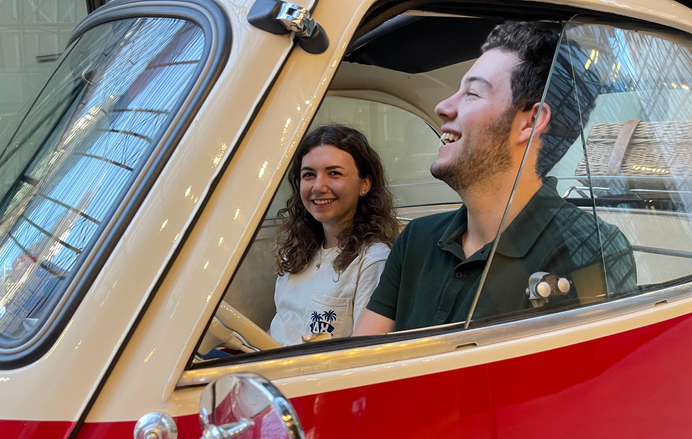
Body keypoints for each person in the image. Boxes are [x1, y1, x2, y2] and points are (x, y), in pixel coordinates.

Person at [354, 21, 637, 335]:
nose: (443, 106)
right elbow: (361, 356)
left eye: (472, 93)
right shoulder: (416, 239)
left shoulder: (588, 247)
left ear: (530, 122)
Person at [269, 124, 399, 346]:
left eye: (334, 174)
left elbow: (367, 353)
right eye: (309, 175)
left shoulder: (372, 260)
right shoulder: (296, 252)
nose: (318, 186)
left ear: (364, 184)